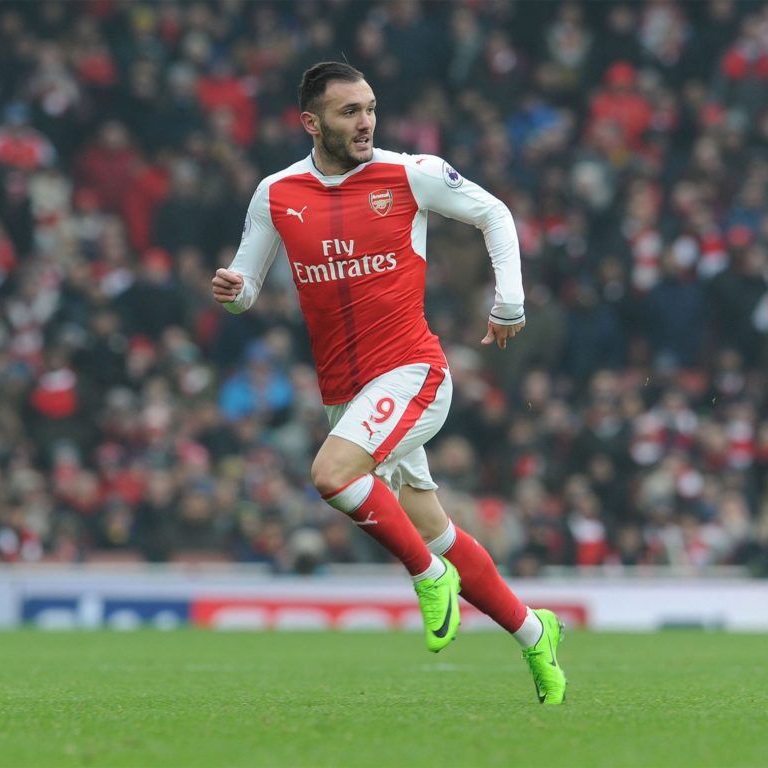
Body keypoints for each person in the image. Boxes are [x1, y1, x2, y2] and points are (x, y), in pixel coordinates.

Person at [211, 62, 566, 704]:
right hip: (344, 394)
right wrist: (234, 291)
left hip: (412, 372)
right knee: (434, 527)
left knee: (332, 475)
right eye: (349, 112)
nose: (366, 122)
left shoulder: (410, 174)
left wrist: (509, 301)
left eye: (370, 108)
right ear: (311, 122)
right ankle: (534, 632)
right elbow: (247, 286)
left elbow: (495, 214)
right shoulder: (276, 193)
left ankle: (428, 578)